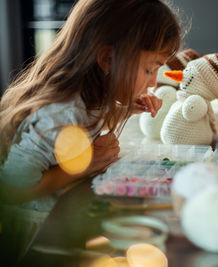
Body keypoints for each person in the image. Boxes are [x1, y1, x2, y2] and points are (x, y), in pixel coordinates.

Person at [0, 0, 183, 262]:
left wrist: (127, 107)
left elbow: (91, 117)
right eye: (149, 69)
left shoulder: (93, 96)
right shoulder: (59, 113)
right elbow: (12, 188)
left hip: (62, 218)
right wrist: (83, 165)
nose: (154, 81)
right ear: (108, 59)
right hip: (32, 238)